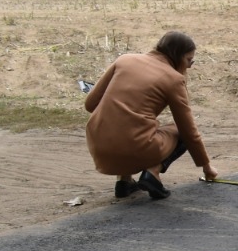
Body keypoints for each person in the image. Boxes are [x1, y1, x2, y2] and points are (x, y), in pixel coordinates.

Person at [84, 31, 219, 199]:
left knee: (130, 126)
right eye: (188, 60)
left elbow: (90, 105)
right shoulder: (173, 79)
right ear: (176, 56)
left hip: (98, 144)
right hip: (133, 147)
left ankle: (124, 182)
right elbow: (189, 131)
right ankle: (152, 174)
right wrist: (206, 168)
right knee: (177, 131)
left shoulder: (124, 60)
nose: (190, 65)